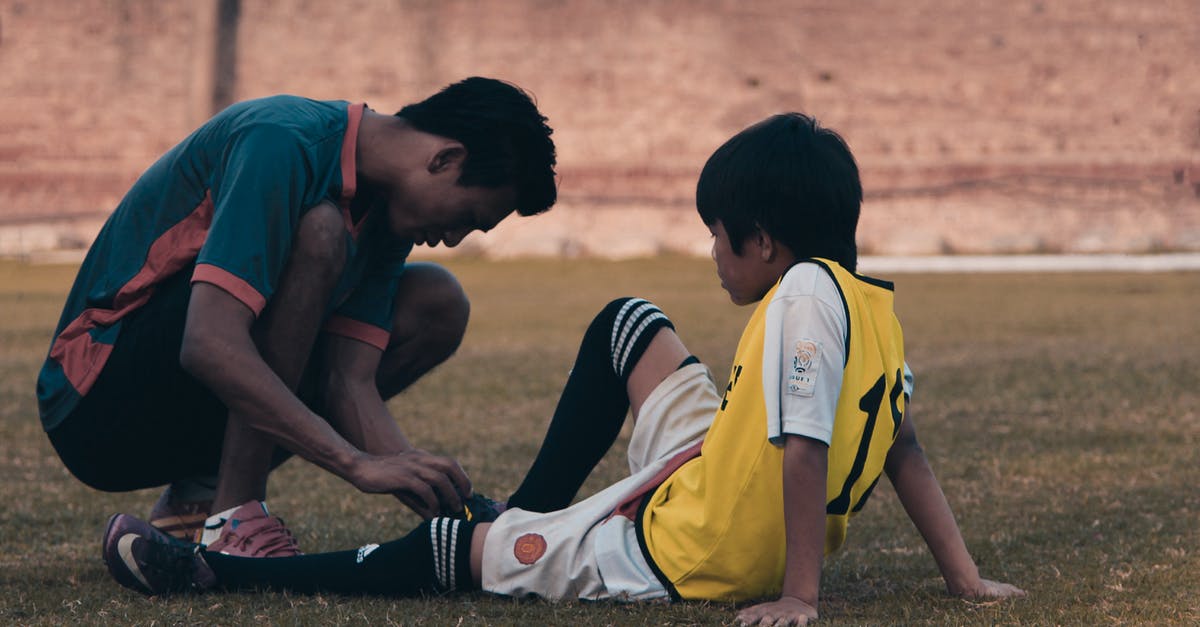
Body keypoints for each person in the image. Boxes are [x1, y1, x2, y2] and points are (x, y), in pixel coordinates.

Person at [101, 113, 1024, 624]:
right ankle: (530, 510)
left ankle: (215, 576)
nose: (711, 252)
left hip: (692, 547)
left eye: (718, 235)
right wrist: (963, 577)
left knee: (459, 555)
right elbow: (902, 444)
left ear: (766, 242)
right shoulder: (869, 301)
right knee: (627, 322)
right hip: (714, 466)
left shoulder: (799, 302)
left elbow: (806, 450)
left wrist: (798, 596)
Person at [39, 77, 558, 556]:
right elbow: (207, 342)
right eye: (467, 218)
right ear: (445, 158)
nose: (452, 238)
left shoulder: (386, 215)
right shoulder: (281, 141)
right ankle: (235, 516)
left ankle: (198, 500)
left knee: (437, 300)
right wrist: (353, 463)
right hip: (95, 401)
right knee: (321, 231)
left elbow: (347, 382)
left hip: (177, 417)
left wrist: (449, 507)